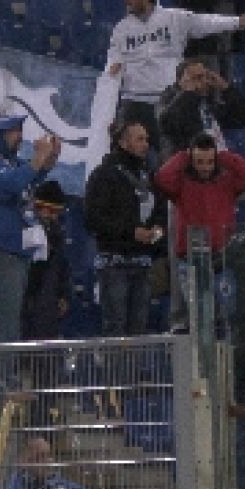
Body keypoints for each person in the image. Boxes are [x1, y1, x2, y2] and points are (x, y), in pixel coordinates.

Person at [106, 0, 245, 147]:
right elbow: (114, 57)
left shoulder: (175, 18)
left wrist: (238, 22)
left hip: (169, 102)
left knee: (170, 153)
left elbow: (206, 22)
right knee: (128, 152)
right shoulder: (121, 29)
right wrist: (114, 65)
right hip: (134, 103)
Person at [0, 113, 61, 345]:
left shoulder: (7, 162)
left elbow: (31, 177)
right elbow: (13, 182)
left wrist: (50, 158)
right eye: (13, 131)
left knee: (9, 326)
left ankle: (4, 369)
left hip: (12, 254)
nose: (20, 136)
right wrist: (38, 157)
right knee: (2, 331)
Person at [85, 119, 165, 337]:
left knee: (138, 328)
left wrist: (156, 232)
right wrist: (131, 232)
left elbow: (160, 211)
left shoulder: (149, 176)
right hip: (114, 265)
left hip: (143, 264)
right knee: (116, 327)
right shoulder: (103, 175)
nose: (145, 144)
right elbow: (93, 219)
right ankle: (115, 363)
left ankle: (132, 363)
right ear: (122, 142)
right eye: (139, 139)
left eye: (146, 139)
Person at [159, 59, 245, 156]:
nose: (205, 81)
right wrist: (188, 92)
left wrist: (226, 88)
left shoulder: (208, 105)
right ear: (181, 82)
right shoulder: (169, 100)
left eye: (206, 76)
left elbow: (244, 117)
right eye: (197, 78)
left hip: (216, 160)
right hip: (189, 161)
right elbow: (168, 124)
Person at [20, 181, 73, 341]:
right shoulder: (26, 228)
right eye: (50, 211)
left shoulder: (57, 233)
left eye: (56, 212)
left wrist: (64, 294)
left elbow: (63, 266)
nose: (53, 216)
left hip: (49, 295)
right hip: (30, 294)